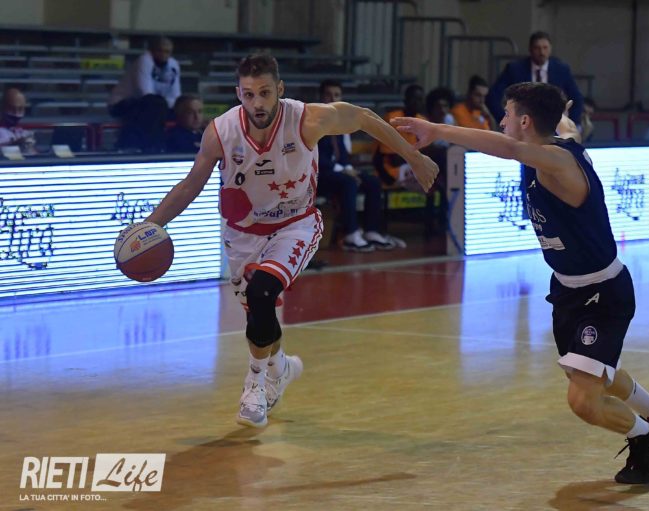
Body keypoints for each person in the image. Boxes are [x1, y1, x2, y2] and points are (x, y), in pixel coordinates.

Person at [391, 82, 649, 484]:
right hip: (567, 289)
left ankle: (646, 437)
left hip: (603, 293)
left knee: (583, 400)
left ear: (525, 122)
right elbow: (563, 127)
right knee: (593, 373)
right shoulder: (557, 141)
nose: (501, 121)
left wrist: (438, 130)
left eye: (507, 114)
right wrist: (561, 112)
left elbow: (510, 147)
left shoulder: (557, 161)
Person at [144, 54, 437, 429]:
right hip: (242, 234)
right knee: (259, 314)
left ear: (279, 90)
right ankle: (280, 368)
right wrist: (150, 226)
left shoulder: (307, 119)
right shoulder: (221, 132)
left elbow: (363, 117)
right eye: (249, 94)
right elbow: (189, 186)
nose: (257, 103)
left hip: (295, 225)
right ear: (238, 94)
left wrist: (413, 156)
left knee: (262, 291)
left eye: (265, 92)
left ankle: (254, 386)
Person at [317, 79, 404, 251]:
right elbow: (316, 157)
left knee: (372, 182)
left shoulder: (340, 122)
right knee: (348, 182)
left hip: (339, 171)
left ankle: (371, 230)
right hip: (319, 174)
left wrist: (349, 169)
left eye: (337, 95)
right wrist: (344, 171)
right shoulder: (313, 122)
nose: (333, 99)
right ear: (321, 97)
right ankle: (351, 233)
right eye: (328, 95)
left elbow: (342, 154)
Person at [486, 31, 583, 127]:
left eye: (545, 48)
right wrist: (506, 120)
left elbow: (577, 99)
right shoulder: (515, 69)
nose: (542, 52)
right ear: (530, 49)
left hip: (553, 125)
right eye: (537, 48)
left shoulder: (561, 70)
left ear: (550, 48)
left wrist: (571, 123)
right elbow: (492, 97)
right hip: (522, 125)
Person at [109, 36, 181, 153]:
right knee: (152, 106)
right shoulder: (144, 61)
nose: (163, 54)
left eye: (167, 51)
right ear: (152, 50)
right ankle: (150, 147)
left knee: (180, 110)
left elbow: (175, 95)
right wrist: (164, 105)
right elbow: (144, 92)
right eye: (160, 50)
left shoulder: (173, 65)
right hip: (122, 103)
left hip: (158, 106)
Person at [373, 84, 427, 190]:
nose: (417, 103)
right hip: (390, 171)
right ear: (406, 101)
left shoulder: (423, 121)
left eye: (420, 99)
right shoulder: (393, 119)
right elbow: (393, 160)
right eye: (414, 99)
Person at [0, 88, 35, 154]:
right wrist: (14, 143)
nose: (16, 114)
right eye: (11, 109)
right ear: (2, 108)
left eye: (20, 109)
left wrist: (30, 147)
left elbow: (34, 155)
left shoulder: (23, 132)